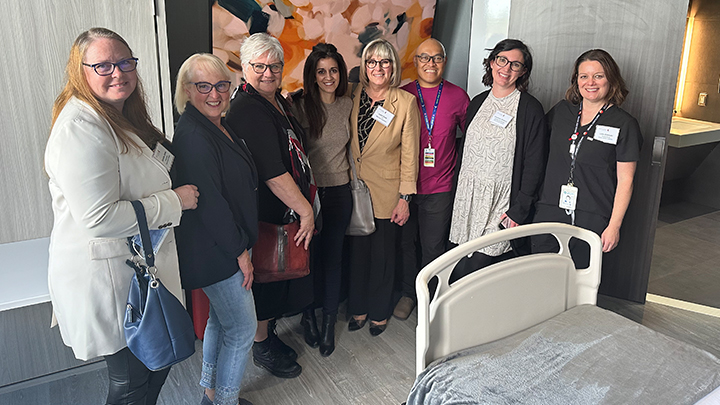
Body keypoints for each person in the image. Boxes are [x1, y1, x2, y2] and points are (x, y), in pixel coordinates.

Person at [44, 27, 199, 405]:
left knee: (156, 364)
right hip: (107, 277)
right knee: (131, 380)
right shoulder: (80, 127)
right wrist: (174, 202)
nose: (119, 72)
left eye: (126, 62)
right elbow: (98, 218)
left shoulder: (120, 115)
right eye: (104, 65)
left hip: (134, 269)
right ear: (80, 71)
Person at [225, 33, 315, 379]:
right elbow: (272, 171)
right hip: (266, 211)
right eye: (258, 66)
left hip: (282, 209)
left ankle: (268, 336)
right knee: (266, 276)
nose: (267, 72)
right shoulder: (248, 108)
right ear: (245, 68)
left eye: (273, 65)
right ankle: (261, 347)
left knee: (277, 279)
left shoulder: (277, 101)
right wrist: (305, 209)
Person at [172, 53, 257, 405]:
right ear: (187, 91)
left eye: (221, 85)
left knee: (220, 322)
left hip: (222, 245)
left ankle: (210, 392)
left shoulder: (216, 124)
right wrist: (241, 252)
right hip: (218, 250)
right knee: (242, 329)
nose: (214, 94)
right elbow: (211, 205)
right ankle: (224, 401)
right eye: (203, 86)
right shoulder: (194, 135)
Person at [448, 39, 548, 282]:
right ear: (492, 62)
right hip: (467, 197)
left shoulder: (530, 109)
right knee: (457, 260)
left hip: (501, 202)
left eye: (515, 64)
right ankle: (452, 317)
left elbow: (535, 163)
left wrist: (520, 209)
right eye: (502, 60)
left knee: (479, 265)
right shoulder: (477, 102)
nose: (506, 68)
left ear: (523, 72)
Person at [532, 49, 642, 267]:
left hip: (592, 217)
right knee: (540, 277)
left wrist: (614, 226)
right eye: (584, 76)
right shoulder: (561, 111)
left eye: (598, 76)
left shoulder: (624, 124)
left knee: (579, 284)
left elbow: (626, 181)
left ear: (611, 79)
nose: (590, 82)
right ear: (576, 81)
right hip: (549, 209)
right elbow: (534, 150)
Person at [347, 38, 420, 336]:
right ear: (364, 66)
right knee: (357, 254)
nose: (378, 67)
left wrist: (405, 197)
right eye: (372, 62)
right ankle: (358, 307)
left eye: (385, 62)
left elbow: (410, 153)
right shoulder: (350, 95)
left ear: (393, 67)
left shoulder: (404, 102)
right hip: (352, 188)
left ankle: (378, 311)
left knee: (383, 255)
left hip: (387, 192)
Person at [394, 38, 470, 320]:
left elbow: (470, 140)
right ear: (415, 62)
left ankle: (432, 295)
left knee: (433, 245)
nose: (430, 63)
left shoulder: (458, 97)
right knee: (405, 243)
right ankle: (407, 293)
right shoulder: (402, 95)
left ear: (444, 61)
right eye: (424, 58)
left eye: (437, 58)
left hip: (441, 185)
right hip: (405, 186)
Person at [290, 43, 353, 356]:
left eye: (333, 70)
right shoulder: (299, 106)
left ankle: (329, 323)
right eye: (321, 71)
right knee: (308, 261)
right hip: (309, 196)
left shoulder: (348, 103)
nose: (328, 77)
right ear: (312, 76)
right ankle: (308, 318)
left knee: (333, 260)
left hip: (340, 191)